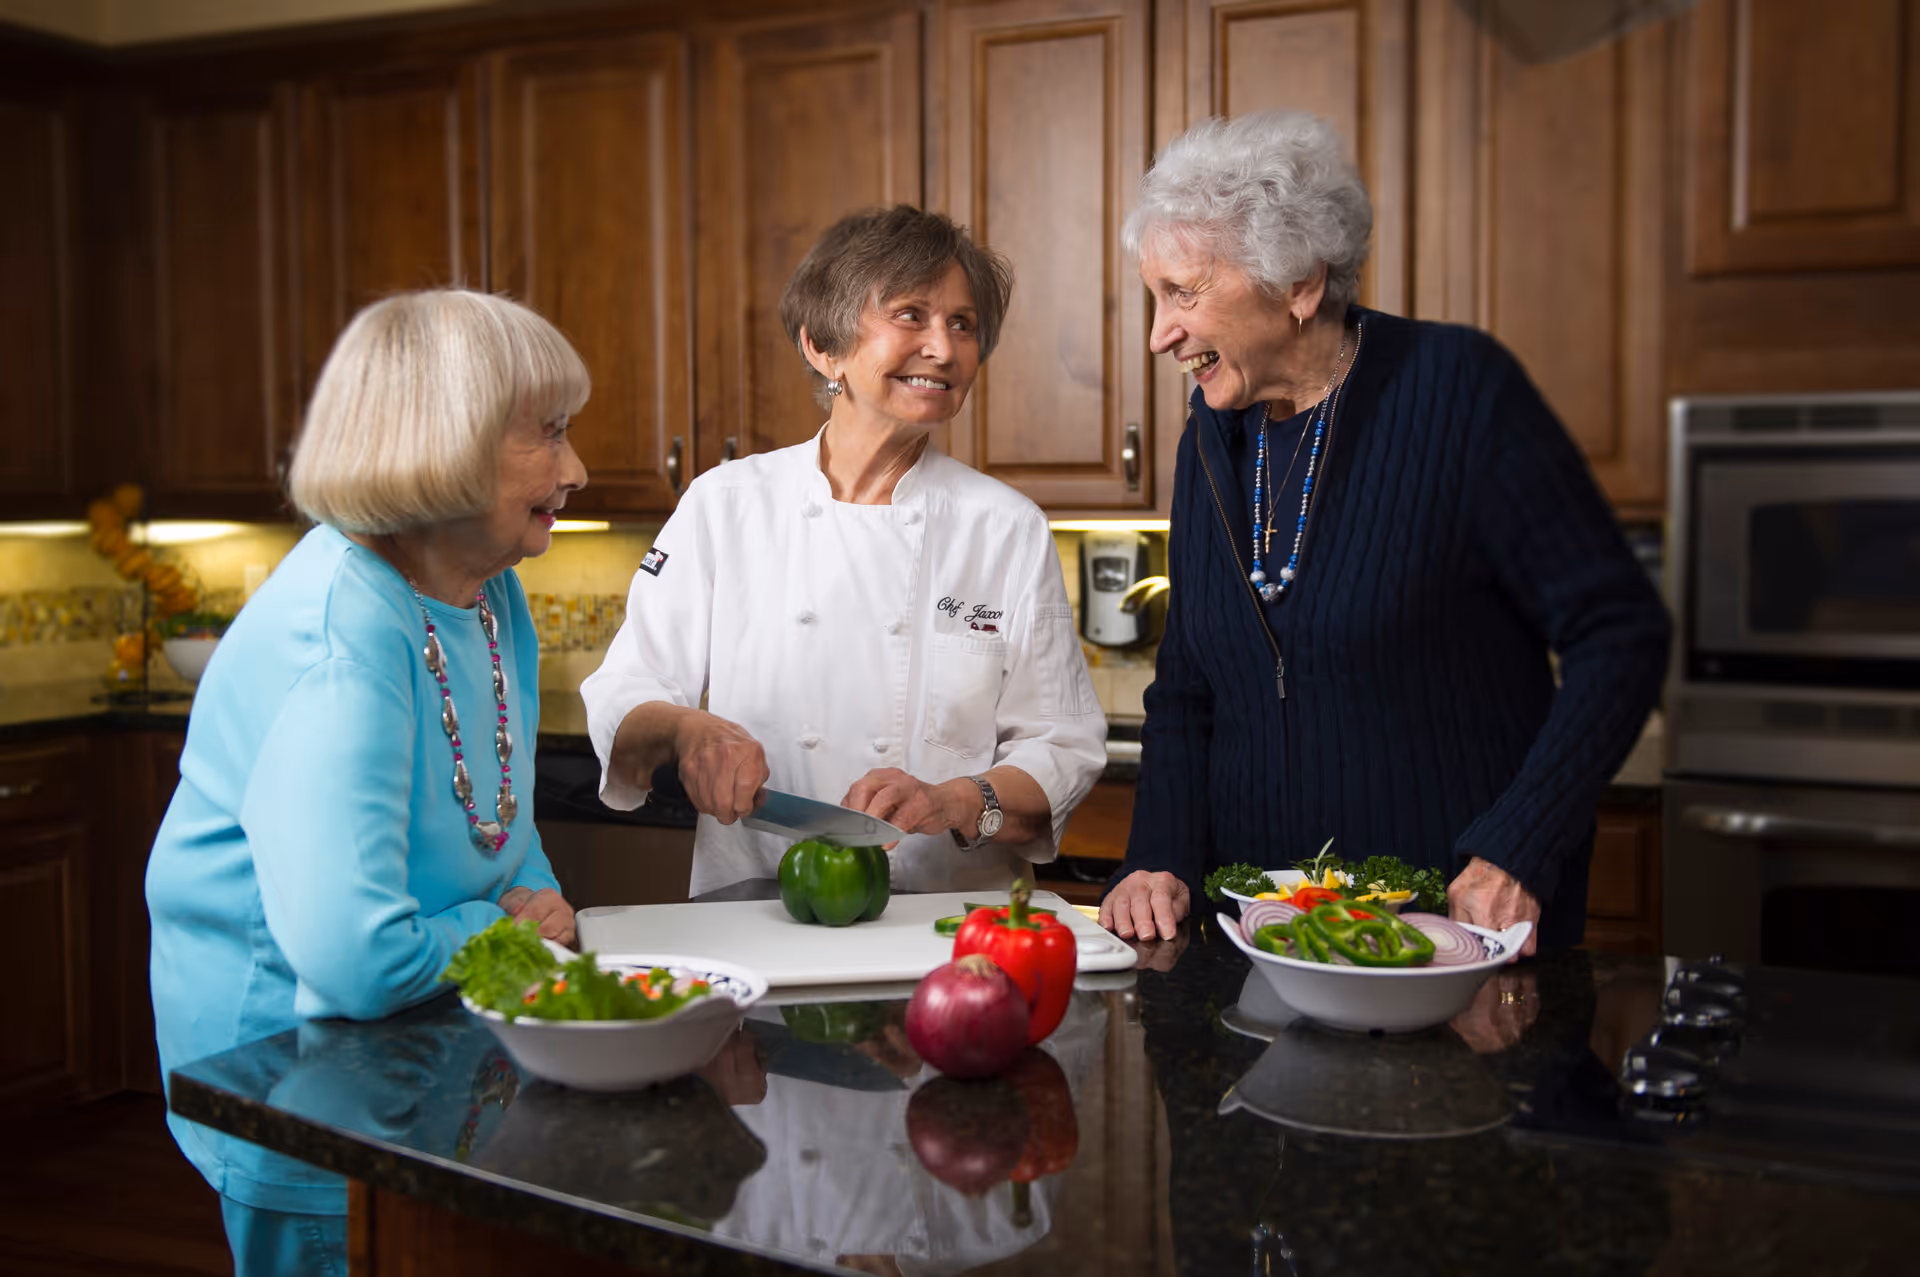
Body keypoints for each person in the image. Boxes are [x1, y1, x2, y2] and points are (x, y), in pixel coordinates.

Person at [1098, 111, 1670, 949]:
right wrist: (1156, 857)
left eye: (1184, 293)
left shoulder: (1459, 394)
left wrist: (1517, 846)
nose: (1159, 334)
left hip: (1446, 938)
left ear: (1299, 284)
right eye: (1155, 296)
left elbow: (1621, 635)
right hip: (1257, 944)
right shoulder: (1212, 439)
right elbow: (1187, 690)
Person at [147, 289, 590, 1274]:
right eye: (550, 434)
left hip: (435, 1039)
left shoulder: (486, 590)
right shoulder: (336, 644)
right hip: (299, 1079)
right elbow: (360, 961)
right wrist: (513, 934)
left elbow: (501, 818)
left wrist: (542, 913)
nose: (577, 468)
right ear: (448, 440)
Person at [583, 205, 1105, 894]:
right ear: (822, 347)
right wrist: (688, 730)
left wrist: (956, 799)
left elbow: (1061, 743)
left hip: (944, 927)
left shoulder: (1005, 527)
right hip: (757, 910)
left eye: (964, 324)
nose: (945, 350)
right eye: (911, 315)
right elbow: (628, 689)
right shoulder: (726, 504)